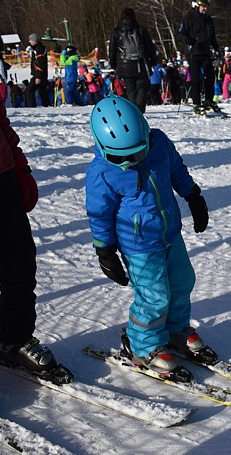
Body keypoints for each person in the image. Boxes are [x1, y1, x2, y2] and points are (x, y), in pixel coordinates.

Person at [85, 96, 213, 381]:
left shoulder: (160, 143)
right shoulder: (101, 172)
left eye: (138, 152)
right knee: (154, 297)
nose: (131, 162)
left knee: (182, 282)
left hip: (169, 233)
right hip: (138, 246)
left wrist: (193, 195)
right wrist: (104, 250)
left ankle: (176, 328)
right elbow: (99, 213)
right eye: (121, 158)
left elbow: (176, 169)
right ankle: (144, 344)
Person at [0, 73, 71, 384]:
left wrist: (20, 167)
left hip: (0, 176)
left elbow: (0, 121)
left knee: (20, 261)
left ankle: (12, 339)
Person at [109, 8, 157, 113]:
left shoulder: (117, 31)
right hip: (141, 64)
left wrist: (113, 65)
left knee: (130, 89)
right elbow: (150, 47)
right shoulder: (141, 30)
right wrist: (153, 61)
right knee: (143, 87)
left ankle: (134, 110)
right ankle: (139, 108)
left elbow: (112, 50)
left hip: (124, 66)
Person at [178, 0, 220, 115]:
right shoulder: (189, 18)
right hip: (193, 53)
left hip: (205, 52)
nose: (205, 9)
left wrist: (216, 48)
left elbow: (212, 36)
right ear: (196, 6)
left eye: (206, 7)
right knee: (196, 79)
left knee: (210, 77)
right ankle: (197, 103)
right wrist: (188, 40)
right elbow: (180, 34)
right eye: (203, 6)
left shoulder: (208, 20)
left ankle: (209, 101)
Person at [25, 34, 49, 108]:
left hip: (39, 74)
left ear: (35, 41)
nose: (29, 41)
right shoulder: (37, 48)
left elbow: (39, 63)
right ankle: (46, 105)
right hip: (41, 74)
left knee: (29, 90)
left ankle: (31, 106)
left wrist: (38, 76)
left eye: (31, 40)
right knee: (42, 91)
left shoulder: (39, 50)